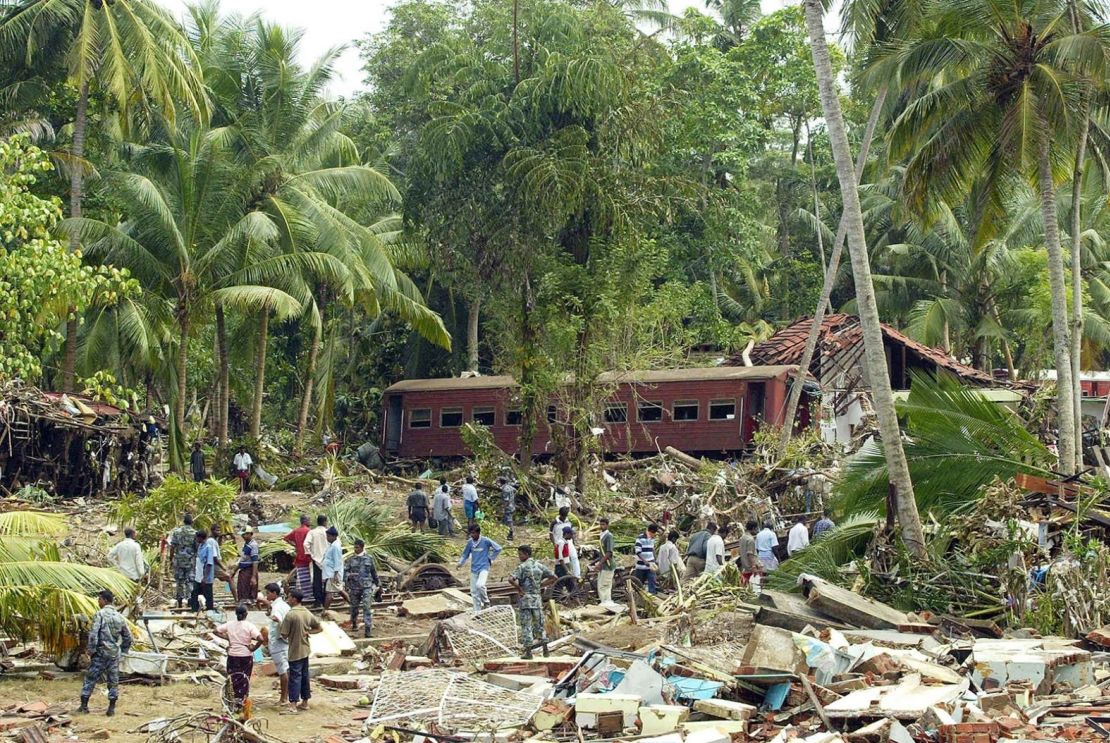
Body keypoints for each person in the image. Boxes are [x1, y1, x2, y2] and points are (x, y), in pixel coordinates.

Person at [78, 589, 132, 716]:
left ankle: (84, 706)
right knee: (113, 681)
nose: (98, 602)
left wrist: (91, 650)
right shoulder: (119, 617)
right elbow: (128, 637)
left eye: (99, 599)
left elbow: (93, 635)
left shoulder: (100, 615)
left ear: (105, 600)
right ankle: (111, 709)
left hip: (100, 653)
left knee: (91, 679)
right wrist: (123, 651)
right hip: (114, 654)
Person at [278, 589, 323, 712]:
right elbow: (319, 628)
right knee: (304, 676)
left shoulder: (290, 614)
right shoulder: (307, 612)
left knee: (295, 677)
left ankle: (293, 704)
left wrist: (279, 623)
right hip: (305, 649)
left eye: (289, 597)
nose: (288, 599)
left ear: (294, 599)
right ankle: (305, 701)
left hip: (295, 650)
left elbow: (284, 634)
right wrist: (308, 632)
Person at [215, 603, 263, 709]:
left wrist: (228, 638)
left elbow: (216, 631)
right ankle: (242, 701)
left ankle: (231, 700)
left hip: (232, 655)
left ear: (236, 614)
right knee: (244, 678)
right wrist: (253, 648)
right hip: (245, 655)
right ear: (246, 614)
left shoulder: (230, 624)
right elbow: (261, 639)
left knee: (233, 678)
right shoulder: (249, 626)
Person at [508, 545, 553, 658]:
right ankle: (545, 650)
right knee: (540, 624)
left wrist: (519, 589)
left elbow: (510, 579)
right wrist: (540, 585)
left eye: (521, 554)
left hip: (525, 600)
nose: (519, 557)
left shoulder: (522, 567)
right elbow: (554, 577)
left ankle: (528, 653)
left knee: (526, 625)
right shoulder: (539, 566)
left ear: (526, 554)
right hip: (537, 599)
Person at [458, 524, 502, 612]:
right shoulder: (470, 542)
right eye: (471, 533)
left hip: (484, 567)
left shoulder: (485, 541)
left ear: (478, 533)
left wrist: (491, 558)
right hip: (474, 568)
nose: (472, 535)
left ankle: (486, 601)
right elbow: (465, 554)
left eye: (474, 533)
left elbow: (498, 548)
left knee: (480, 585)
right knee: (474, 592)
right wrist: (460, 563)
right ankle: (477, 611)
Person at [262, 583, 291, 704]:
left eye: (268, 593)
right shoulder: (284, 605)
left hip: (279, 641)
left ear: (274, 593)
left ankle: (283, 698)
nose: (267, 595)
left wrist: (282, 633)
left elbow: (278, 619)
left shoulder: (277, 607)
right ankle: (287, 695)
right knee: (286, 668)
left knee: (282, 670)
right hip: (285, 641)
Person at [345, 539, 379, 638]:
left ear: (362, 547)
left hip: (367, 586)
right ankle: (354, 623)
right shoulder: (350, 560)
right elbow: (345, 572)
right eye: (354, 547)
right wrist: (349, 576)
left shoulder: (369, 558)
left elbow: (374, 572)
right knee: (354, 608)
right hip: (354, 587)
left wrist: (378, 585)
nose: (355, 549)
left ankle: (368, 630)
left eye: (357, 547)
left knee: (367, 607)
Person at [168, 514, 198, 608]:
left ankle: (180, 599)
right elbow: (196, 548)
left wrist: (171, 558)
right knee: (190, 580)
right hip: (190, 560)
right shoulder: (195, 533)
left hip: (179, 560)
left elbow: (172, 546)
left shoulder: (176, 532)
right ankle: (189, 599)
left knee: (179, 580)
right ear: (192, 522)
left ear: (183, 521)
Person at [283, 515, 313, 596]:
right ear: (305, 521)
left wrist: (295, 545)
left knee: (301, 577)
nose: (310, 522)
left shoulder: (296, 531)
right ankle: (309, 594)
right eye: (309, 520)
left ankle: (302, 594)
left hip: (299, 557)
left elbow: (285, 538)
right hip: (308, 557)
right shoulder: (309, 531)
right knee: (309, 577)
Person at [304, 515, 329, 607]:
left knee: (316, 580)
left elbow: (306, 544)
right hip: (327, 560)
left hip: (316, 559)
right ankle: (325, 599)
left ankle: (318, 600)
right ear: (325, 522)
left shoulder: (312, 532)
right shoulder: (328, 532)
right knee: (327, 580)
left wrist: (309, 554)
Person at [190, 529, 215, 611]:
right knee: (194, 593)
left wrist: (205, 577)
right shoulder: (200, 546)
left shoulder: (208, 547)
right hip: (198, 575)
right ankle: (194, 610)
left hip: (205, 577)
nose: (196, 540)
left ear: (201, 538)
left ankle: (210, 611)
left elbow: (209, 564)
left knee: (208, 595)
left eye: (197, 538)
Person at [234, 528, 260, 607]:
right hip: (244, 570)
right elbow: (242, 559)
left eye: (245, 534)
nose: (243, 536)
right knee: (242, 590)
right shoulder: (246, 544)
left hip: (249, 570)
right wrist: (234, 570)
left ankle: (247, 607)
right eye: (242, 534)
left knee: (247, 591)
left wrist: (253, 576)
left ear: (250, 534)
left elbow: (255, 561)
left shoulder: (253, 545)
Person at [595, 517, 617, 606]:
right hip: (603, 564)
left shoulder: (609, 536)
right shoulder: (602, 535)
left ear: (607, 525)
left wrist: (600, 563)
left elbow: (609, 552)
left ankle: (605, 603)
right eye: (601, 524)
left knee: (603, 586)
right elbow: (602, 552)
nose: (601, 526)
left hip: (607, 565)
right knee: (603, 585)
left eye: (603, 524)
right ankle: (606, 602)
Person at [321, 526, 344, 609]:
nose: (327, 538)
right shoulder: (332, 545)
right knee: (339, 590)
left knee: (329, 592)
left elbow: (337, 561)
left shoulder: (335, 547)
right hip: (330, 573)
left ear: (334, 536)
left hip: (332, 573)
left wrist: (335, 575)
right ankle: (352, 605)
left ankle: (325, 610)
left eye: (329, 536)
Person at [634, 524, 659, 595]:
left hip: (651, 565)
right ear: (651, 531)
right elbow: (638, 552)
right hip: (641, 566)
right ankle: (638, 597)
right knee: (639, 584)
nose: (655, 535)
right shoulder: (640, 538)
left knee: (652, 582)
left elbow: (652, 549)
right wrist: (645, 561)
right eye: (655, 533)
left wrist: (655, 560)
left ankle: (652, 597)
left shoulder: (652, 539)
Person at [551, 506, 571, 576]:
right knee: (560, 562)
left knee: (569, 559)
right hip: (559, 544)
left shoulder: (568, 521)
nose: (564, 517)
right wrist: (554, 544)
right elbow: (551, 534)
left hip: (566, 543)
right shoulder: (554, 523)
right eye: (563, 516)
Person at [501, 477, 517, 542]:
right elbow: (515, 490)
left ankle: (511, 534)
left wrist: (503, 508)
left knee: (509, 521)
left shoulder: (504, 489)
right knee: (505, 520)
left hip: (508, 507)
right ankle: (506, 533)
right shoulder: (510, 487)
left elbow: (506, 500)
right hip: (512, 505)